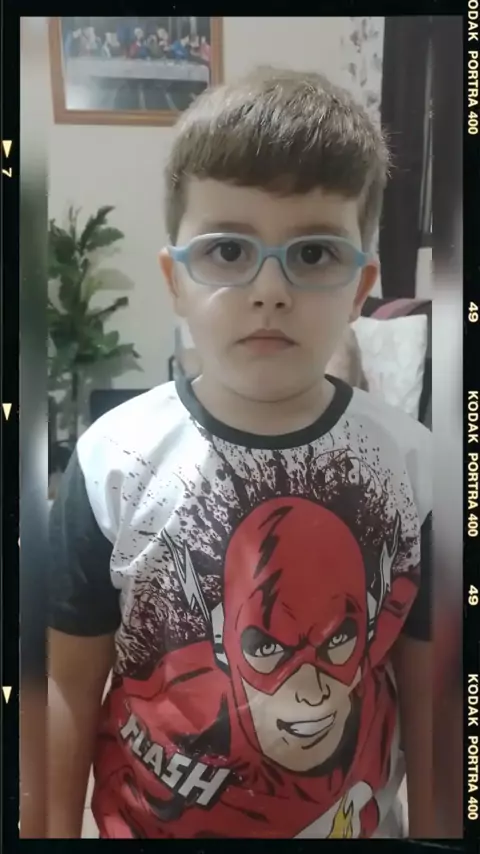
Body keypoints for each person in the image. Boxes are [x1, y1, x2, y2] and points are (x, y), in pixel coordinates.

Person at [48, 67, 434, 839]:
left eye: (314, 253)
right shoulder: (112, 461)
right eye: (227, 249)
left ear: (360, 286)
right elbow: (63, 687)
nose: (270, 290)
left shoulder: (416, 468)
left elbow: (436, 699)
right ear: (176, 281)